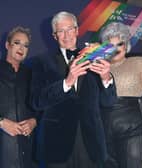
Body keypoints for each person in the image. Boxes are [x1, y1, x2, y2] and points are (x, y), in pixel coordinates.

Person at [30, 11, 116, 168]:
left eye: (70, 29)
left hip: (90, 144)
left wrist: (106, 78)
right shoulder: (39, 62)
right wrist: (67, 82)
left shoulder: (96, 57)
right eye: (61, 31)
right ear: (54, 36)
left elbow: (109, 102)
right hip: (55, 144)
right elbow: (36, 102)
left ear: (77, 31)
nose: (66, 35)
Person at [99, 22, 142, 168]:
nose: (116, 49)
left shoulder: (138, 62)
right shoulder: (99, 68)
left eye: (120, 44)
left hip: (133, 129)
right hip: (103, 130)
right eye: (111, 45)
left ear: (126, 45)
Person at [0, 26, 37, 168]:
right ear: (7, 45)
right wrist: (2, 123)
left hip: (27, 151)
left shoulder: (32, 75)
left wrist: (34, 121)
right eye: (17, 43)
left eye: (26, 45)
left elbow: (40, 106)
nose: (21, 48)